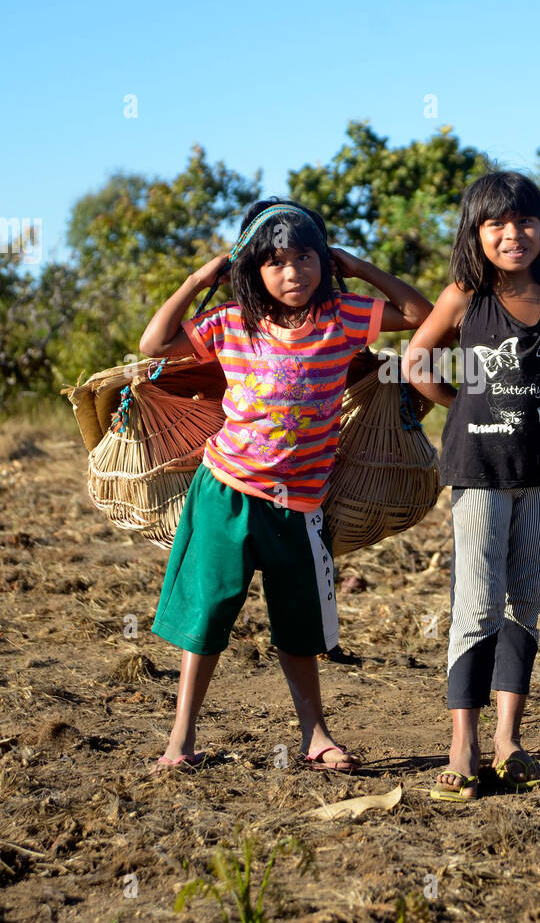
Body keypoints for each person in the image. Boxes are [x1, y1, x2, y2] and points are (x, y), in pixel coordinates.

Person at [140, 198, 431, 772]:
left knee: (300, 623)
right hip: (226, 491)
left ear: (324, 260)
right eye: (275, 262)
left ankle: (315, 736)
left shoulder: (343, 317)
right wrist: (200, 278)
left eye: (305, 258)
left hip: (300, 503)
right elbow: (153, 345)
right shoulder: (230, 323)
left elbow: (420, 313)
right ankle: (181, 739)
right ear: (250, 269)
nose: (293, 272)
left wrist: (358, 266)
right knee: (206, 616)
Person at [405, 171, 540, 800]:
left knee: (525, 601)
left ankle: (509, 743)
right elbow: (417, 360)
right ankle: (462, 746)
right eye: (497, 224)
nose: (514, 234)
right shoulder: (465, 295)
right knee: (477, 602)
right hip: (480, 470)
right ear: (476, 233)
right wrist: (461, 404)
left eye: (525, 221)